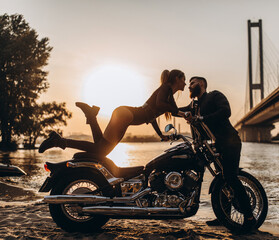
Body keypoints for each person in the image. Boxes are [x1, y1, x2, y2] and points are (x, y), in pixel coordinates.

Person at [39, 69, 188, 156]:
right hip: (126, 115)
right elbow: (160, 105)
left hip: (126, 114)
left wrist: (160, 133)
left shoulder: (168, 94)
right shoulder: (166, 89)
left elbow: (158, 113)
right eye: (184, 80)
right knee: (102, 151)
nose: (185, 83)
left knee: (100, 147)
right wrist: (181, 113)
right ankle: (58, 141)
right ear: (177, 78)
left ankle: (91, 116)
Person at [178, 76, 256, 231]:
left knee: (230, 177)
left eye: (192, 83)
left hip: (230, 142)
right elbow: (180, 111)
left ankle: (249, 217)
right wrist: (164, 108)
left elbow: (226, 111)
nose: (189, 86)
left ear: (201, 84)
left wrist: (201, 118)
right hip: (216, 145)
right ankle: (224, 216)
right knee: (221, 179)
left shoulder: (214, 96)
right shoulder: (195, 105)